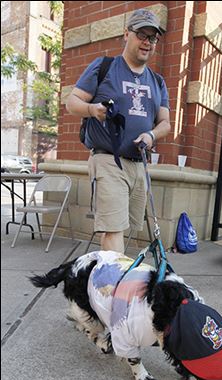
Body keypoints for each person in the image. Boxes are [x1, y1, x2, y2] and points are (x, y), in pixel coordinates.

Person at [66, 9, 171, 252]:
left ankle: (106, 280)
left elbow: (165, 123)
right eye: (142, 35)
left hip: (139, 165)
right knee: (113, 230)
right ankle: (113, 287)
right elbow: (72, 103)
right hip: (108, 160)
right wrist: (93, 110)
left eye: (153, 38)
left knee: (129, 230)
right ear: (127, 34)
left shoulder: (157, 81)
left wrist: (151, 135)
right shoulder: (104, 67)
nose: (147, 42)